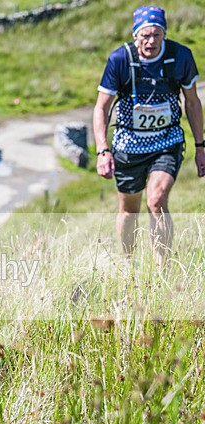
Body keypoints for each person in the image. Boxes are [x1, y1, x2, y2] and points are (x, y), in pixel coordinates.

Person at [93, 6, 205, 269]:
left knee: (156, 199)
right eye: (145, 35)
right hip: (128, 146)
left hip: (167, 142)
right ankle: (128, 264)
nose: (151, 41)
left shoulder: (180, 56)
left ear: (164, 34)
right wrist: (103, 150)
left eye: (157, 34)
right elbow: (101, 108)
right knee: (129, 211)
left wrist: (201, 146)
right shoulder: (120, 60)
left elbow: (192, 103)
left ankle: (162, 269)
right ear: (135, 36)